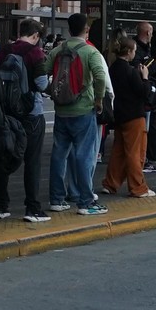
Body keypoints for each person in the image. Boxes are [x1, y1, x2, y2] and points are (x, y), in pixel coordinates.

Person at [45, 14, 111, 216]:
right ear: (86, 29)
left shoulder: (57, 51)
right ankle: (86, 202)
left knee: (59, 154)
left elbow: (42, 73)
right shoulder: (90, 52)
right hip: (83, 110)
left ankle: (56, 199)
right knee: (84, 155)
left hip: (61, 111)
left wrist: (53, 92)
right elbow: (100, 77)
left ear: (69, 29)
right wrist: (98, 99)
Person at [0, 19, 49, 222]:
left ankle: (0, 205)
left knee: (4, 156)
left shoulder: (5, 50)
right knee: (32, 161)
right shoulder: (35, 53)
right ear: (35, 35)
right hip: (31, 113)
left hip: (7, 113)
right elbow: (41, 84)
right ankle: (32, 208)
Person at [102, 35, 155, 198]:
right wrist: (145, 77)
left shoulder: (113, 68)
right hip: (134, 115)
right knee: (135, 153)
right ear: (129, 52)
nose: (135, 53)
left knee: (118, 151)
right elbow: (143, 92)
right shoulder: (130, 71)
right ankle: (138, 187)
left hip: (119, 114)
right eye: (134, 51)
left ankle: (110, 183)